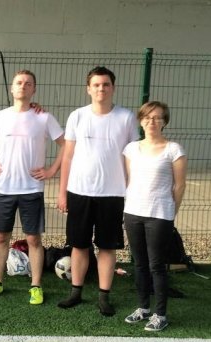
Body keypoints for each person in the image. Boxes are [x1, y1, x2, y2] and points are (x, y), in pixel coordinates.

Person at [57, 66, 139, 316]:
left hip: (112, 194)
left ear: (113, 88)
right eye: (96, 85)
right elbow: (67, 157)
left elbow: (133, 157)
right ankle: (76, 292)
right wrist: (62, 192)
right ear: (88, 89)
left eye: (106, 84)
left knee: (107, 247)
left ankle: (104, 296)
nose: (101, 88)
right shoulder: (77, 116)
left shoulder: (126, 117)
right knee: (79, 245)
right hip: (79, 191)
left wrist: (132, 190)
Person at [0, 70, 65, 303]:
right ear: (12, 88)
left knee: (34, 240)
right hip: (4, 188)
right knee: (1, 238)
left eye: (28, 83)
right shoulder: (0, 117)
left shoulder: (44, 117)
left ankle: (36, 286)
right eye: (19, 82)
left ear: (33, 89)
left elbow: (65, 144)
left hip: (32, 189)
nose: (23, 86)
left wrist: (52, 170)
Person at [123, 101, 187, 332]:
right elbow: (129, 180)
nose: (152, 121)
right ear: (141, 121)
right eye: (147, 117)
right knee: (139, 264)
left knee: (156, 266)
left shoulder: (174, 150)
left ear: (164, 122)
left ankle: (160, 314)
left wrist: (171, 211)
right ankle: (143, 308)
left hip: (159, 215)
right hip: (133, 213)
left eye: (157, 117)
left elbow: (179, 186)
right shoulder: (131, 149)